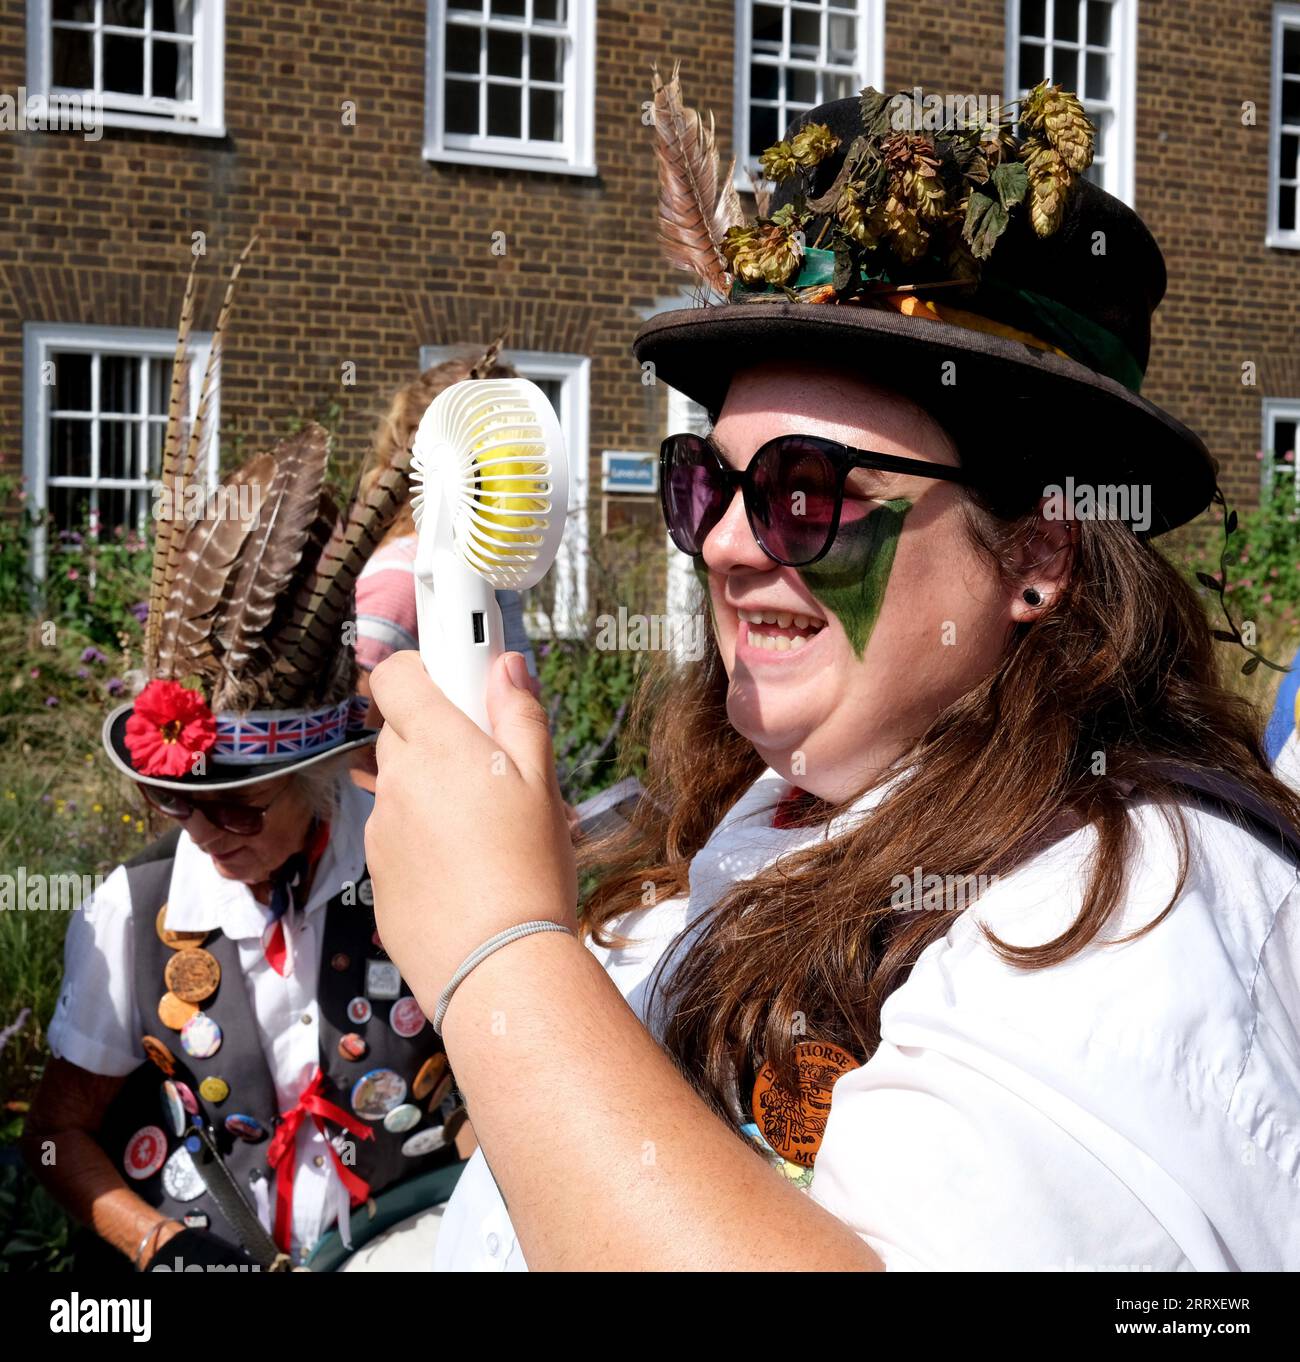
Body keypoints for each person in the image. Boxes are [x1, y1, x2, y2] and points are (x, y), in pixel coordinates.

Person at [362, 82, 1300, 1270]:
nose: (726, 542)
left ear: (1036, 553)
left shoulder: (1122, 907)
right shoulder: (778, 814)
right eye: (704, 484)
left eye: (811, 496)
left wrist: (498, 956)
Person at [23, 258, 463, 1272]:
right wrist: (158, 1244)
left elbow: (492, 1097)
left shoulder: (416, 864)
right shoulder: (129, 917)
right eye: (180, 810)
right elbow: (52, 1137)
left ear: (317, 787)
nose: (207, 837)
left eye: (239, 811)